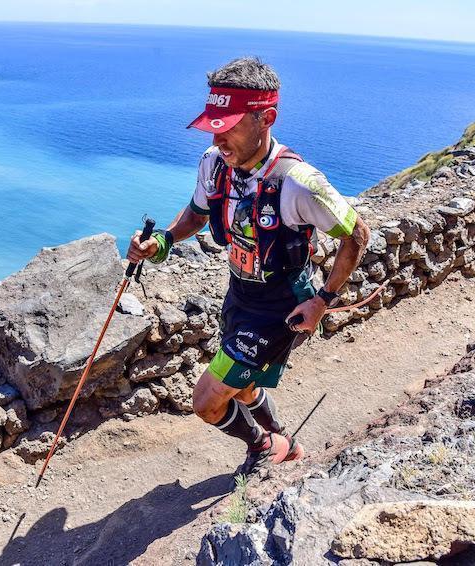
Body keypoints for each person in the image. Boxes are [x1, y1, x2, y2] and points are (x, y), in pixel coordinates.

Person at [127, 57, 370, 475]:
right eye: (214, 125)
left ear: (266, 118)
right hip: (239, 295)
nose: (220, 138)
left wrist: (323, 301)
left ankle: (262, 446)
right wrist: (162, 241)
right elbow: (198, 214)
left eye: (230, 125)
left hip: (281, 307)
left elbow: (357, 235)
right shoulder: (214, 163)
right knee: (244, 386)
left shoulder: (299, 181)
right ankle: (284, 441)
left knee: (206, 401)